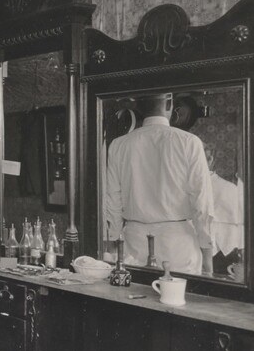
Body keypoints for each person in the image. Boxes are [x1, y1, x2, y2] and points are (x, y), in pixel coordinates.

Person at [102, 93, 214, 275]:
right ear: (170, 103)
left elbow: (112, 202)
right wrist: (208, 260)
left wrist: (114, 246)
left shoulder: (118, 145)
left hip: (134, 244)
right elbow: (202, 204)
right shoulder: (189, 143)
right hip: (178, 248)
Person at [203, 142, 245, 277]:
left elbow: (240, 228)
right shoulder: (185, 187)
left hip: (224, 255)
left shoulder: (230, 189)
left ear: (210, 160)